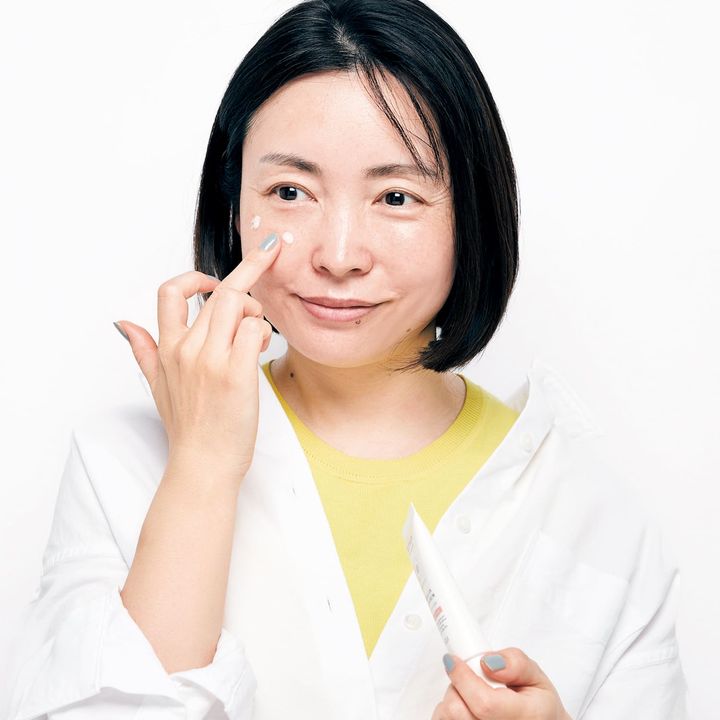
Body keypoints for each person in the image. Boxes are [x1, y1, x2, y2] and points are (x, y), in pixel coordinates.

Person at [1, 1, 690, 718]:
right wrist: (200, 470)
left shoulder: (598, 524)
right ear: (233, 205)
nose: (337, 256)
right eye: (289, 192)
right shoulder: (119, 467)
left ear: (473, 215)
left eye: (395, 196)